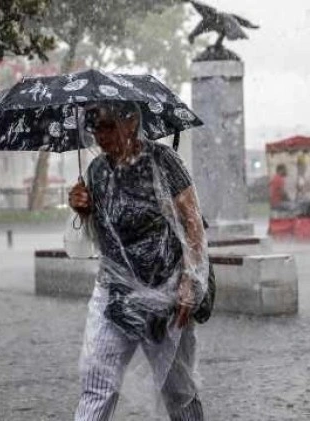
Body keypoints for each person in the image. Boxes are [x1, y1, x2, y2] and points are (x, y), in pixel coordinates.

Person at [68, 101, 208, 421]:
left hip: (166, 295)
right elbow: (99, 233)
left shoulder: (163, 162)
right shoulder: (97, 171)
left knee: (179, 392)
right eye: (93, 127)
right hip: (114, 294)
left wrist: (191, 280)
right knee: (96, 382)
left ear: (131, 121)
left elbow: (192, 223)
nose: (99, 135)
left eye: (106, 125)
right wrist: (82, 210)